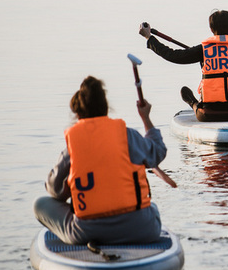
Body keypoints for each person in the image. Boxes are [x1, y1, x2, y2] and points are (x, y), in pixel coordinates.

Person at [33, 76, 166, 245]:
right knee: (152, 207)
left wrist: (71, 186)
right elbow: (157, 154)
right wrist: (145, 118)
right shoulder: (128, 136)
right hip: (141, 230)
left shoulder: (73, 146)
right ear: (106, 108)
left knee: (40, 204)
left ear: (78, 113)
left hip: (88, 233)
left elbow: (54, 191)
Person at [139, 10, 228, 122]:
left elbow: (173, 55)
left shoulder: (204, 50)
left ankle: (192, 102)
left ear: (211, 29)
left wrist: (149, 38)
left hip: (211, 114)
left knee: (196, 105)